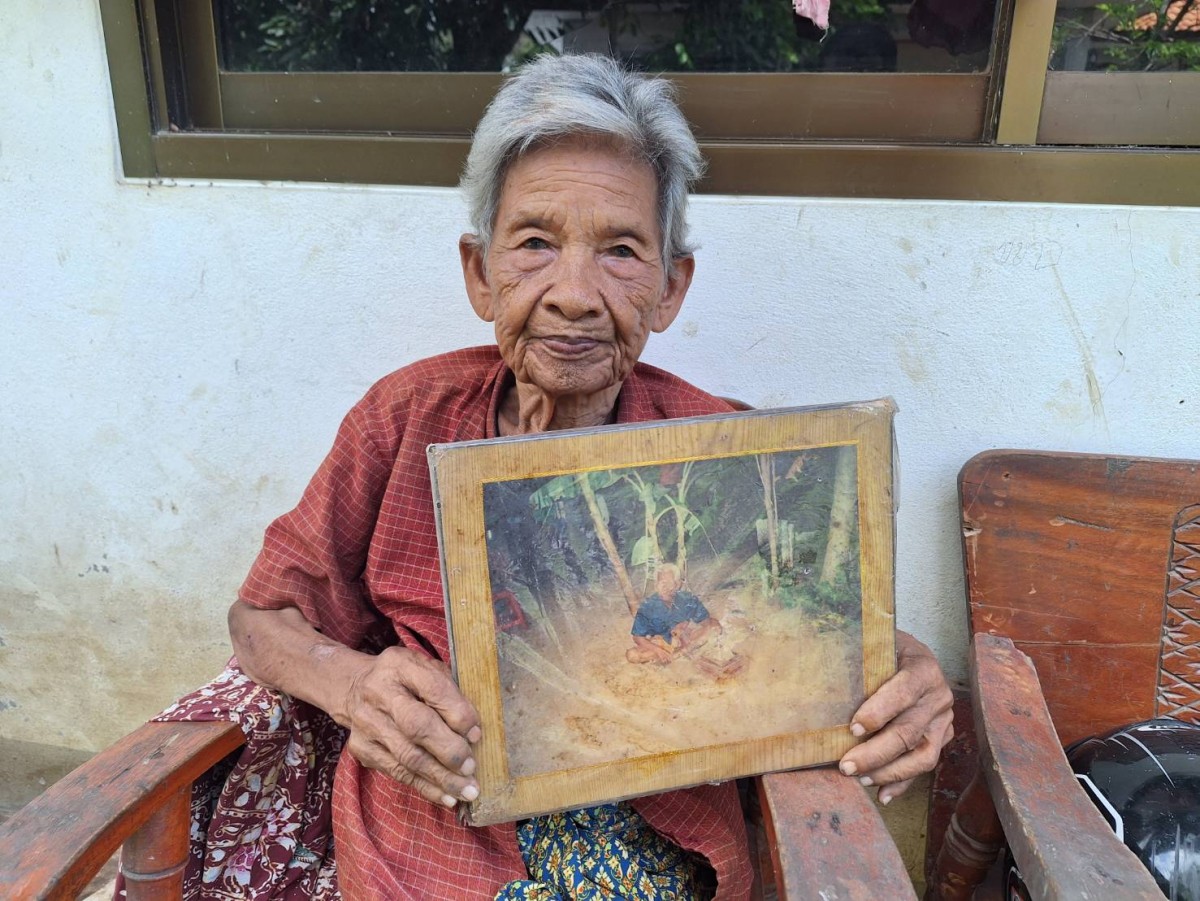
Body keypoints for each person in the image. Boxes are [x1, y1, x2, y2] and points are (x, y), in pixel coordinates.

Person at [156, 53, 954, 901]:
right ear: (480, 273)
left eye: (621, 251)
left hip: (653, 838)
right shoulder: (405, 418)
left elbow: (821, 639)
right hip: (432, 834)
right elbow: (261, 616)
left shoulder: (726, 452)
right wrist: (353, 686)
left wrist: (902, 676)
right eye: (535, 242)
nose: (574, 292)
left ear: (671, 288)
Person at [627, 564, 721, 664]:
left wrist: (684, 627)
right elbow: (637, 637)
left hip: (688, 638)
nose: (665, 587)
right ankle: (676, 654)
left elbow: (706, 621)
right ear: (656, 585)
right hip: (661, 644)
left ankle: (680, 653)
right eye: (661, 582)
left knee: (714, 627)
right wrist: (658, 650)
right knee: (633, 655)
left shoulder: (688, 599)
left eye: (669, 583)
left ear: (678, 584)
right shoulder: (648, 606)